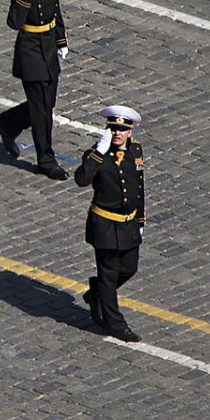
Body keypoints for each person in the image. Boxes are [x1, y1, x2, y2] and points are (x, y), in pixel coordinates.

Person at [0, 0, 70, 179]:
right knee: (41, 112)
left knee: (47, 103)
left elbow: (55, 9)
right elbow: (14, 22)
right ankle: (46, 161)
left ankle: (9, 123)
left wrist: (61, 39)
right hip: (30, 50)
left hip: (48, 46)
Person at [75, 105, 145, 342]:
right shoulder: (96, 155)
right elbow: (81, 179)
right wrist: (98, 151)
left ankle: (97, 293)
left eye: (121, 130)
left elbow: (139, 187)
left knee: (129, 268)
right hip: (104, 225)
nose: (117, 134)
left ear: (129, 132)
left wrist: (141, 219)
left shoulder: (136, 151)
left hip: (128, 224)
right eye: (113, 129)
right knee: (108, 272)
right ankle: (115, 324)